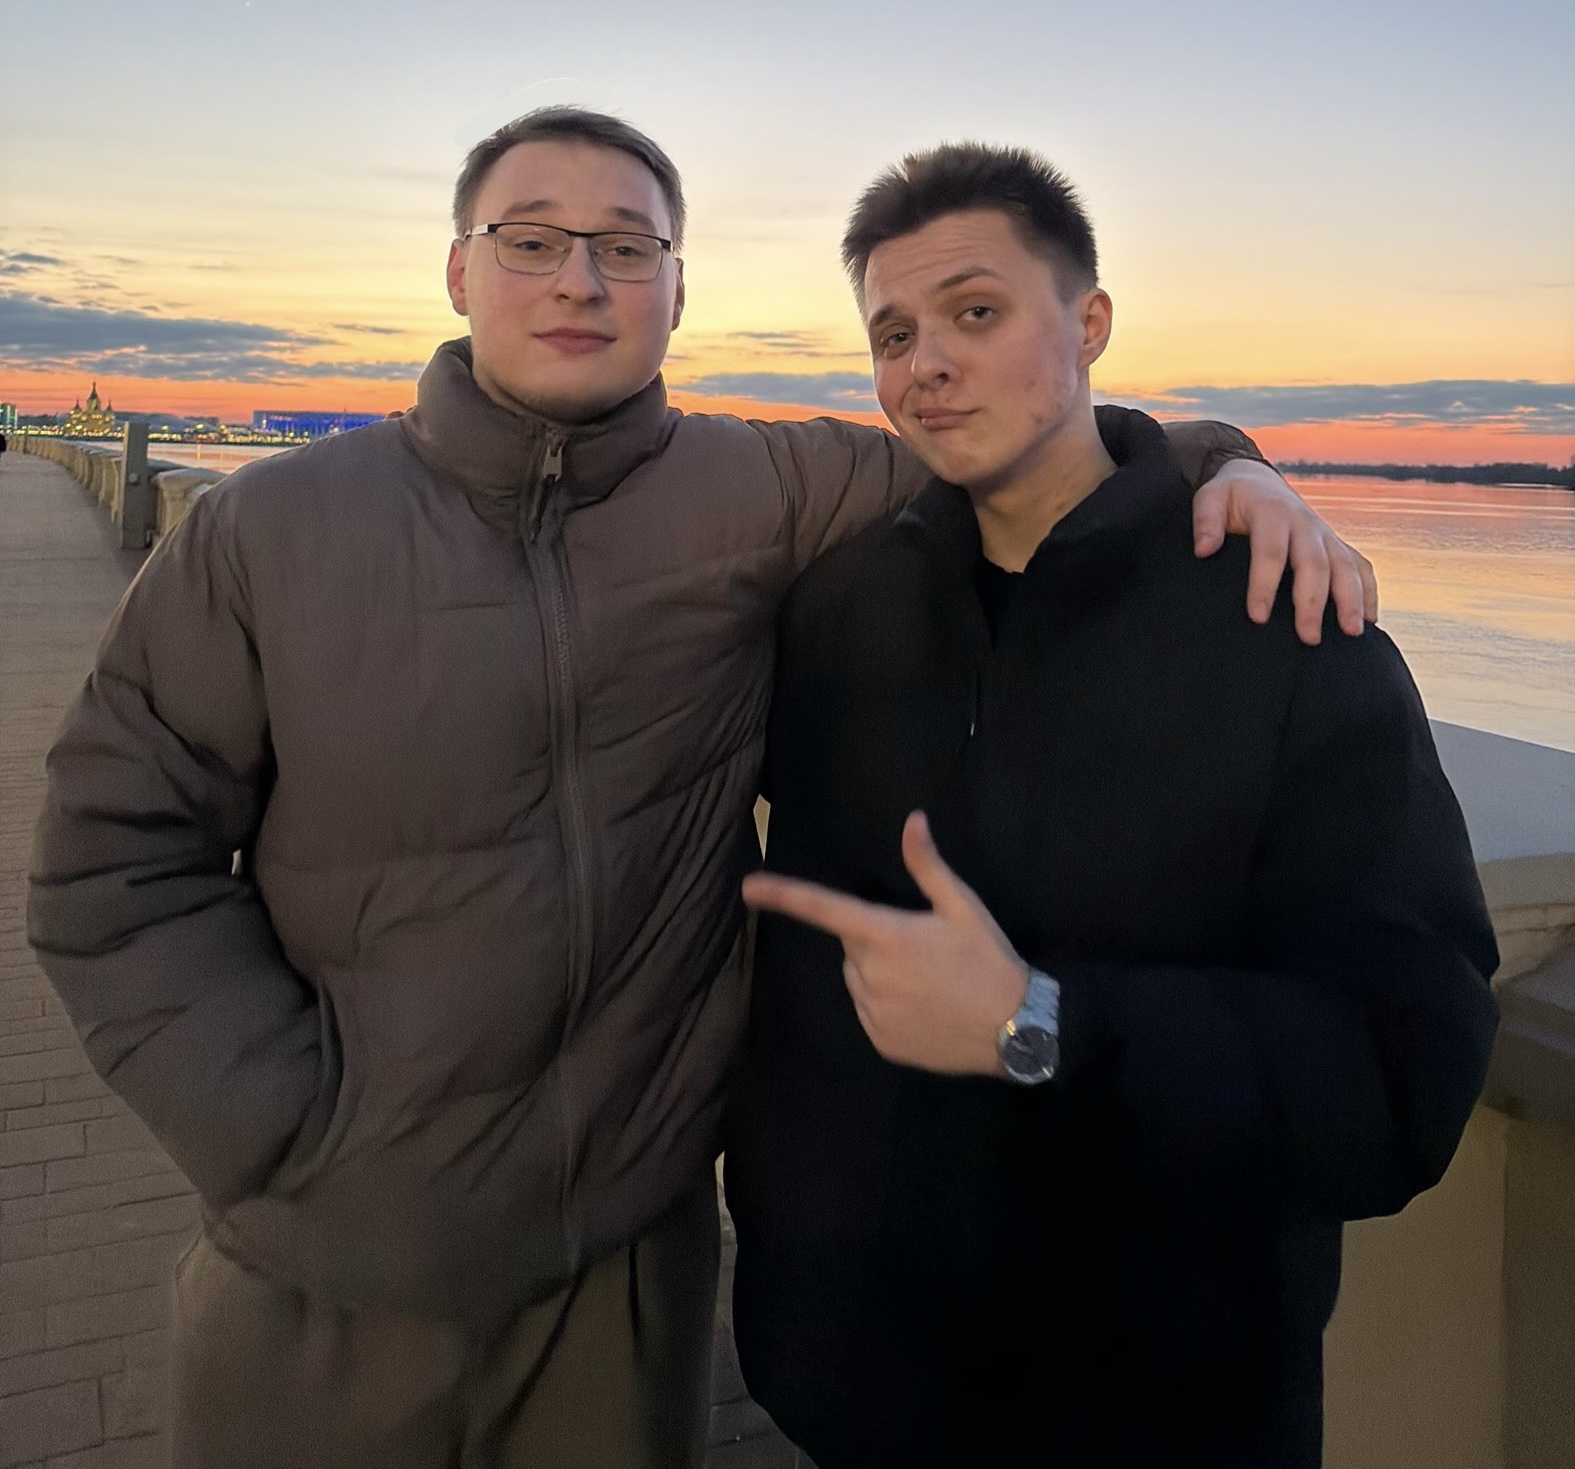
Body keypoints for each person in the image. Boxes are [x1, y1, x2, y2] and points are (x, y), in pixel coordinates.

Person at [30, 111, 1369, 1469]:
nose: (579, 280)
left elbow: (1016, 430)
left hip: (626, 1288)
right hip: (318, 1279)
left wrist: (1227, 462)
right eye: (531, 240)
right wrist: (277, 1131)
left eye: (627, 247)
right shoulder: (271, 528)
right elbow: (109, 861)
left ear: (678, 289)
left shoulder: (762, 486)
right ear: (458, 271)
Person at [726, 143, 1498, 1469]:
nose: (927, 364)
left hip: (1162, 1412)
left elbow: (1404, 1074)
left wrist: (1041, 1023)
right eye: (893, 334)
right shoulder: (838, 614)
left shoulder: (1284, 626)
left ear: (1089, 326)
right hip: (849, 1390)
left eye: (976, 312)